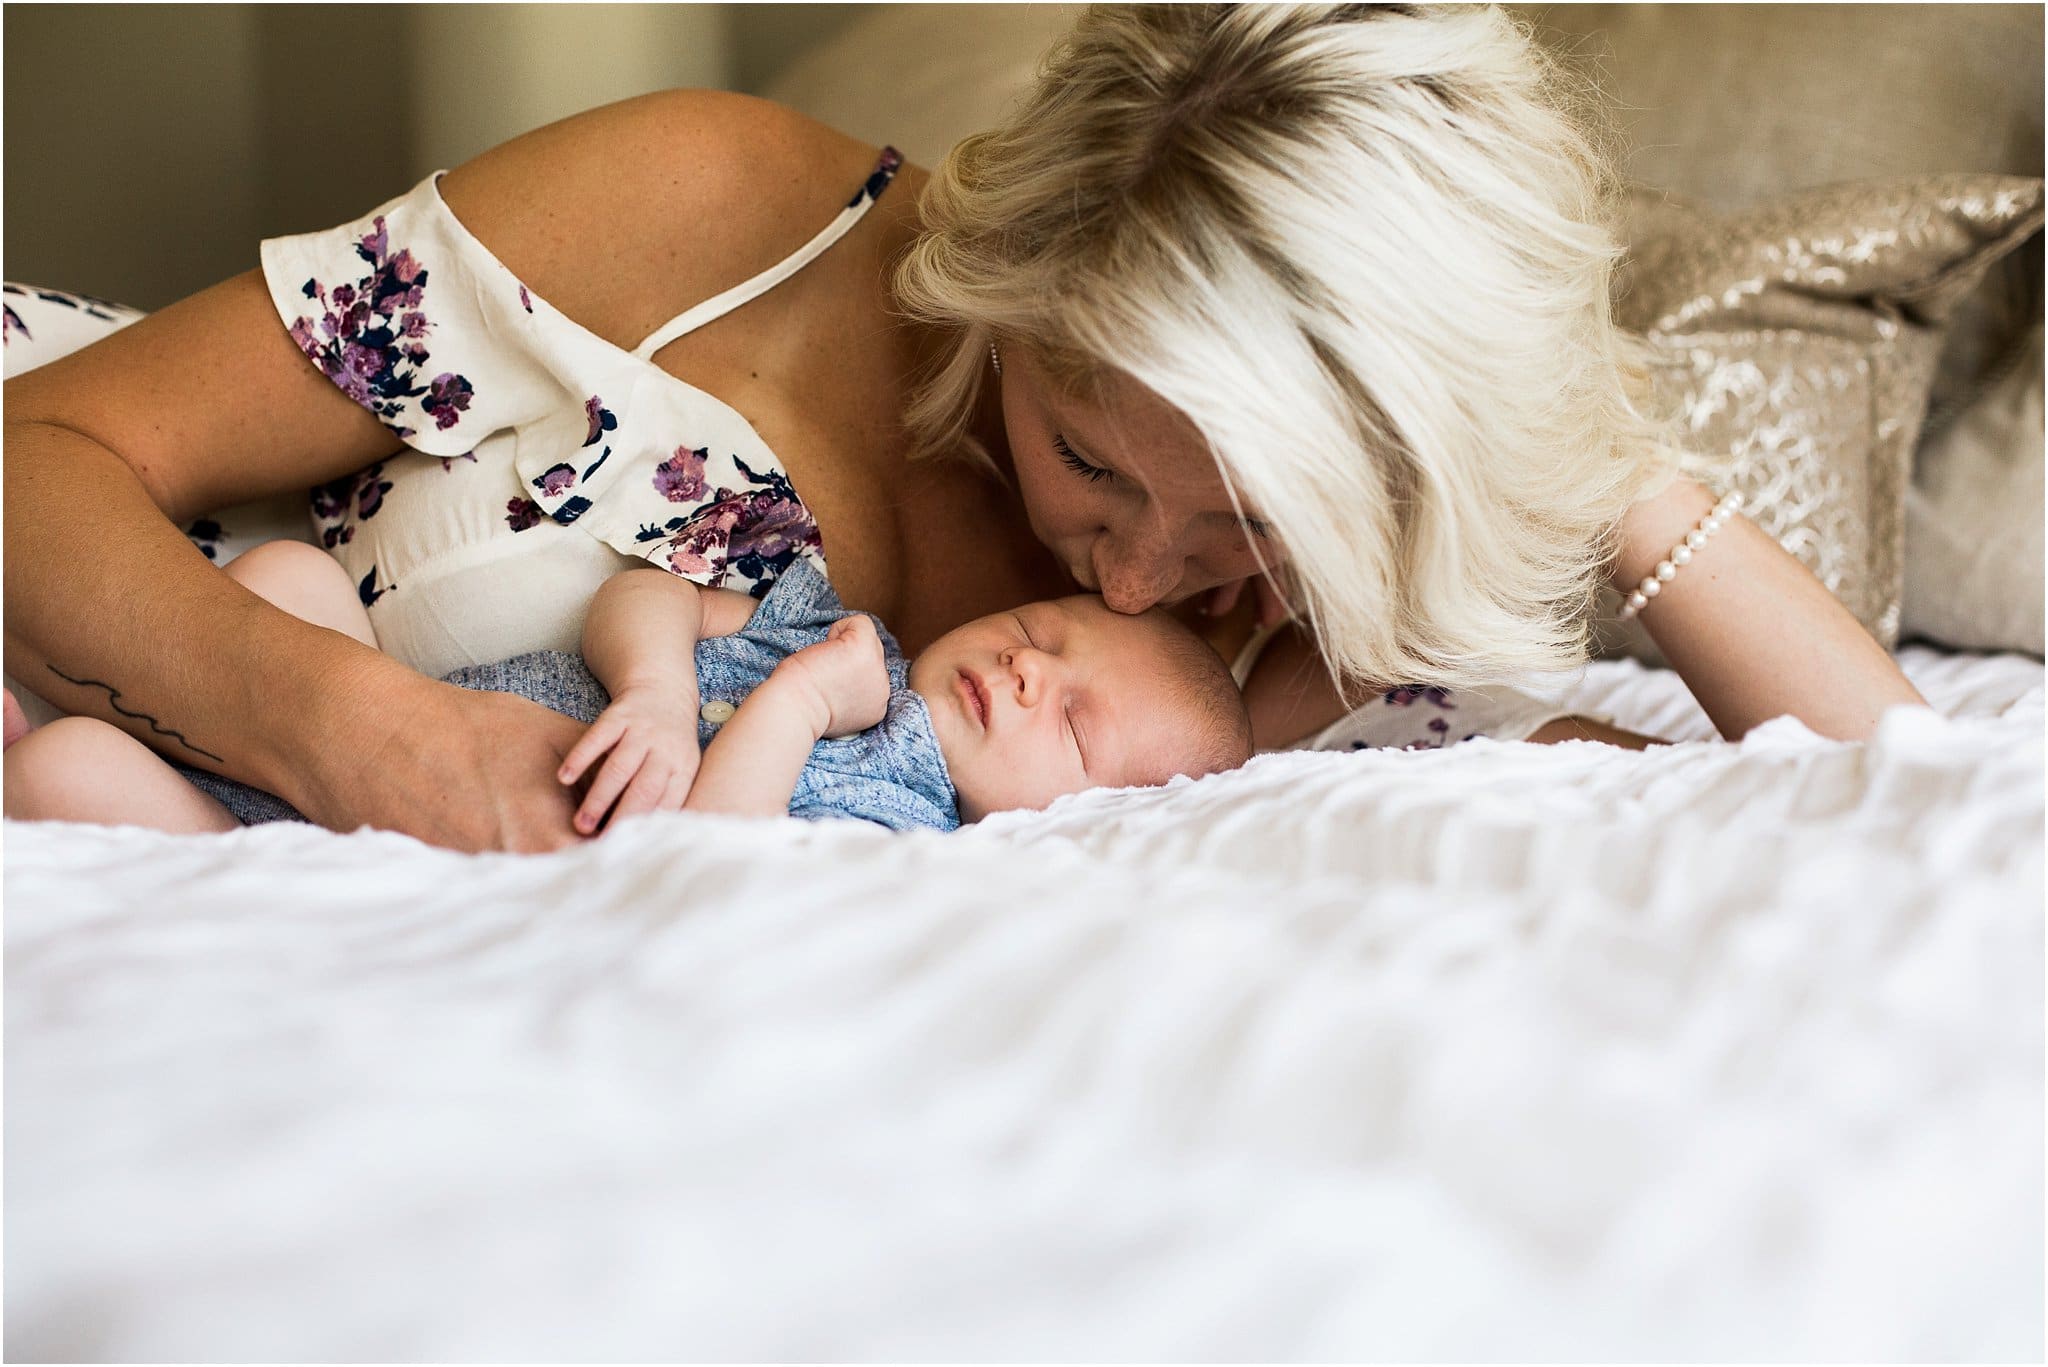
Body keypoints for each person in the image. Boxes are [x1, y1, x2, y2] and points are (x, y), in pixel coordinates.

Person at [1, 5, 1926, 854]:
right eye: (1091, 457)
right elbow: (40, 465)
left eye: (1236, 526)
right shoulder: (708, 216)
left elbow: (1907, 791)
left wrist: (1565, 440)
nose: (1131, 570)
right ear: (1010, 276)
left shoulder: (1286, 628)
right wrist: (378, 743)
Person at [3, 540, 1251, 834]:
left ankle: (111, 779)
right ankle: (88, 703)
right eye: (1041, 630)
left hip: (360, 833)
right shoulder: (836, 621)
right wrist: (656, 686)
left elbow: (705, 857)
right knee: (282, 572)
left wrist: (804, 705)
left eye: (1074, 720)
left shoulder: (902, 825)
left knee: (62, 778)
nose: (1029, 670)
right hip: (387, 705)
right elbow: (647, 588)